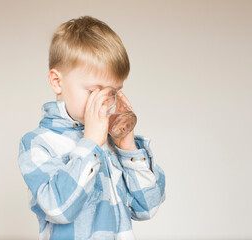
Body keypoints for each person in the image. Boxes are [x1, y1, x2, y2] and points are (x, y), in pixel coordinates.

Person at [17, 15, 166, 240]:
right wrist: (90, 144)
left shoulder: (110, 143)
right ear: (57, 82)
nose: (105, 103)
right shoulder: (38, 143)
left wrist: (128, 148)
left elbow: (147, 208)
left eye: (112, 92)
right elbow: (59, 209)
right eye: (94, 91)